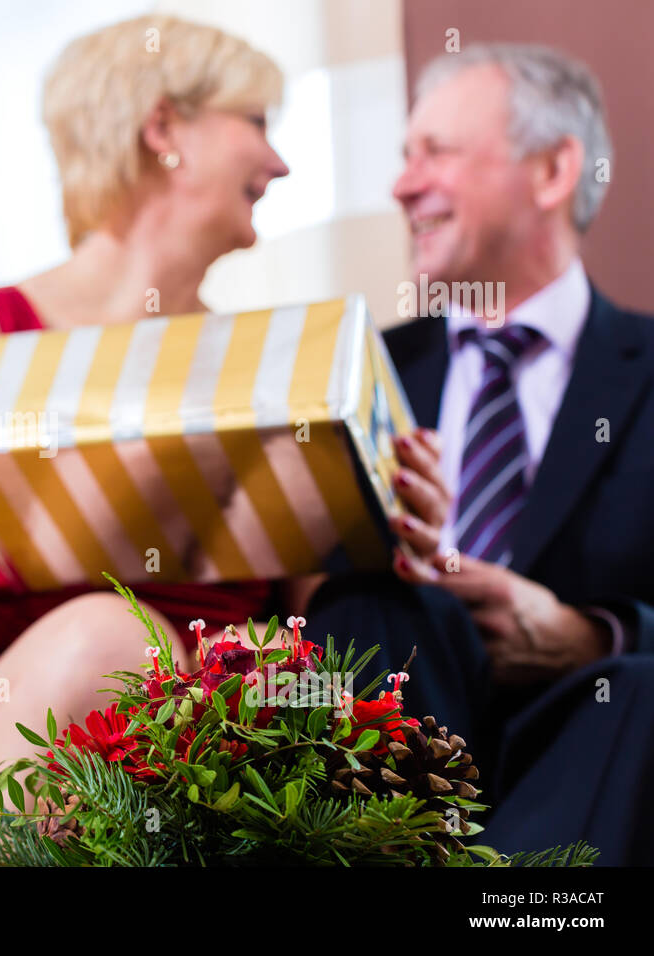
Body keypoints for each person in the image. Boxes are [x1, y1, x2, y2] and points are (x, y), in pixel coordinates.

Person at [0, 15, 295, 864]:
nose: (279, 164)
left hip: (218, 748)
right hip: (0, 733)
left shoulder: (268, 368)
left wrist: (397, 518)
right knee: (105, 639)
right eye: (258, 124)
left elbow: (313, 620)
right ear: (164, 129)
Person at [371, 43, 654, 863]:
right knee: (367, 604)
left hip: (594, 751)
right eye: (402, 156)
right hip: (390, 760)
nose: (403, 184)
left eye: (437, 153)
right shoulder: (364, 371)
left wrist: (592, 635)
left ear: (554, 170)